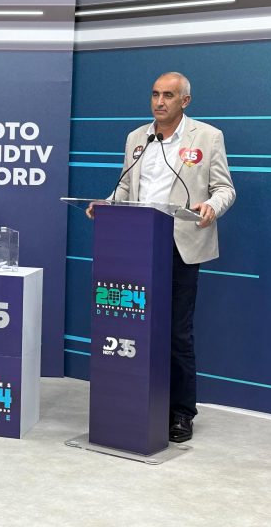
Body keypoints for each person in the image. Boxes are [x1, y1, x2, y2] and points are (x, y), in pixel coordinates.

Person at [86, 72, 235, 442]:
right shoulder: (137, 137)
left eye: (168, 95)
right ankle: (139, 398)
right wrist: (107, 203)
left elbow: (224, 188)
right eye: (155, 94)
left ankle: (181, 412)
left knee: (177, 332)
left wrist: (212, 206)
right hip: (136, 244)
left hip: (180, 243)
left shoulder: (208, 137)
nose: (159, 102)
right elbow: (125, 184)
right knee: (133, 326)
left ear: (185, 100)